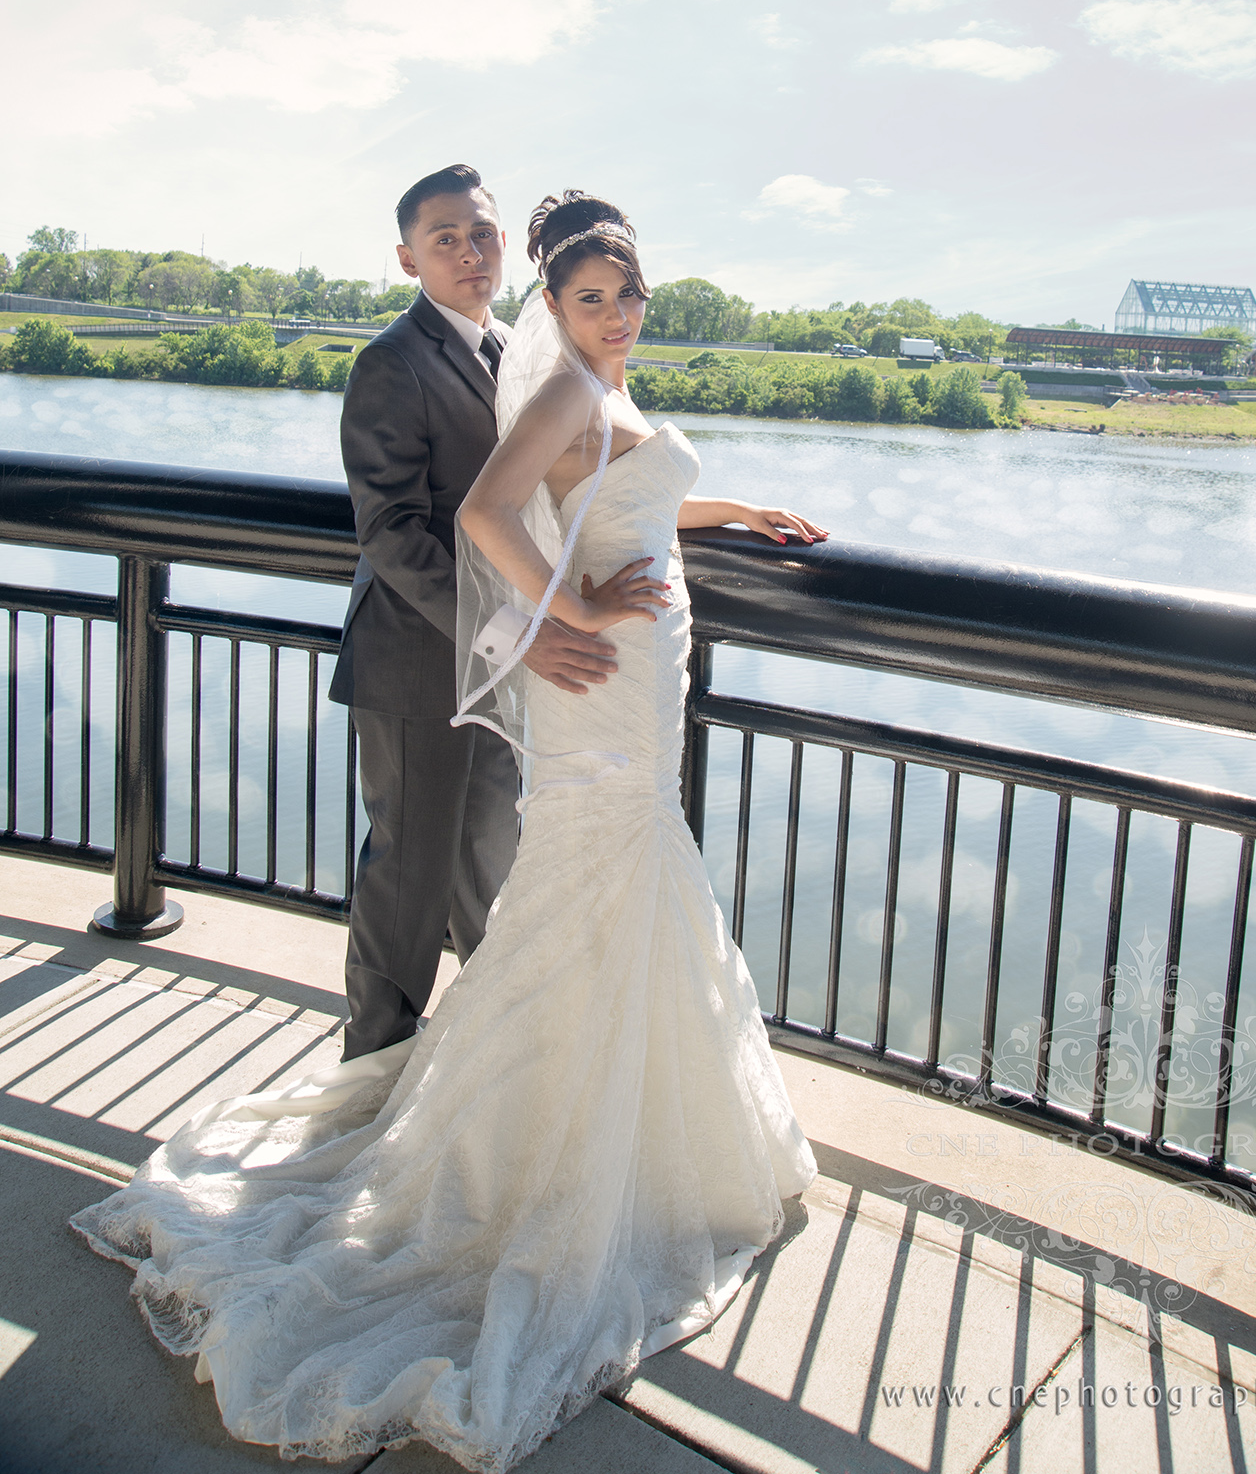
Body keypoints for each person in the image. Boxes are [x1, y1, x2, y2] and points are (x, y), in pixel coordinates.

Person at [71, 190, 828, 1472]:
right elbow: (470, 519)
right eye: (591, 298)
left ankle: (593, 1115)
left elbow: (609, 501)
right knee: (471, 881)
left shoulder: (573, 373)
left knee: (580, 889)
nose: (615, 314)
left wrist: (735, 512)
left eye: (629, 295)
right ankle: (490, 1134)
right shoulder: (512, 375)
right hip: (566, 669)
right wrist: (559, 619)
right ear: (550, 298)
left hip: (630, 682)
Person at [328, 163, 618, 1063]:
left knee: (487, 866)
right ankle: (372, 1064)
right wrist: (518, 635)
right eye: (444, 239)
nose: (468, 252)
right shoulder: (391, 361)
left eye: (481, 233)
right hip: (418, 663)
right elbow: (391, 533)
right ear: (407, 260)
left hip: (496, 666)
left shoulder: (518, 352)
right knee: (408, 877)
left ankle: (481, 1070)